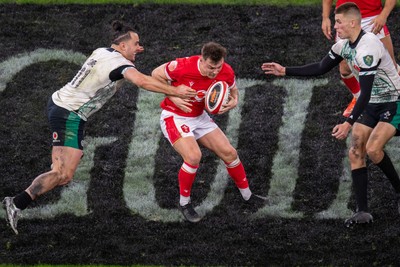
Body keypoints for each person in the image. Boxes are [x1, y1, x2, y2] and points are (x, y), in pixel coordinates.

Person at [2, 20, 197, 235]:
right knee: (63, 174)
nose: (140, 48)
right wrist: (178, 92)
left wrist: (170, 93)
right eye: (136, 43)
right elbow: (142, 82)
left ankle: (30, 190)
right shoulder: (120, 65)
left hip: (59, 104)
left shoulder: (102, 51)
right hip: (70, 115)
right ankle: (17, 203)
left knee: (60, 168)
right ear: (122, 46)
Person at [262, 2, 400, 227]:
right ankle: (362, 211)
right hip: (372, 103)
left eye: (338, 22)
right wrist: (285, 70)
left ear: (353, 23)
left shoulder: (368, 47)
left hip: (393, 101)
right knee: (356, 151)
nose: (335, 27)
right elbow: (319, 67)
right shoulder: (344, 46)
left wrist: (348, 121)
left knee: (374, 150)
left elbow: (364, 93)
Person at [152, 42, 268, 223]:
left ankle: (248, 196)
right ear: (201, 59)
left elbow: (233, 89)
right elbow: (154, 75)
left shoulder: (226, 70)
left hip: (199, 117)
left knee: (230, 153)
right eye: (211, 67)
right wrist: (173, 95)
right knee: (193, 156)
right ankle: (184, 203)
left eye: (218, 67)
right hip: (175, 117)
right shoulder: (182, 66)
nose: (215, 72)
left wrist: (234, 100)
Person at [321, 0, 399, 118]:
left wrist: (383, 15)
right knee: (345, 69)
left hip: (373, 19)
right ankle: (359, 98)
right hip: (346, 19)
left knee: (390, 66)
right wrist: (325, 17)